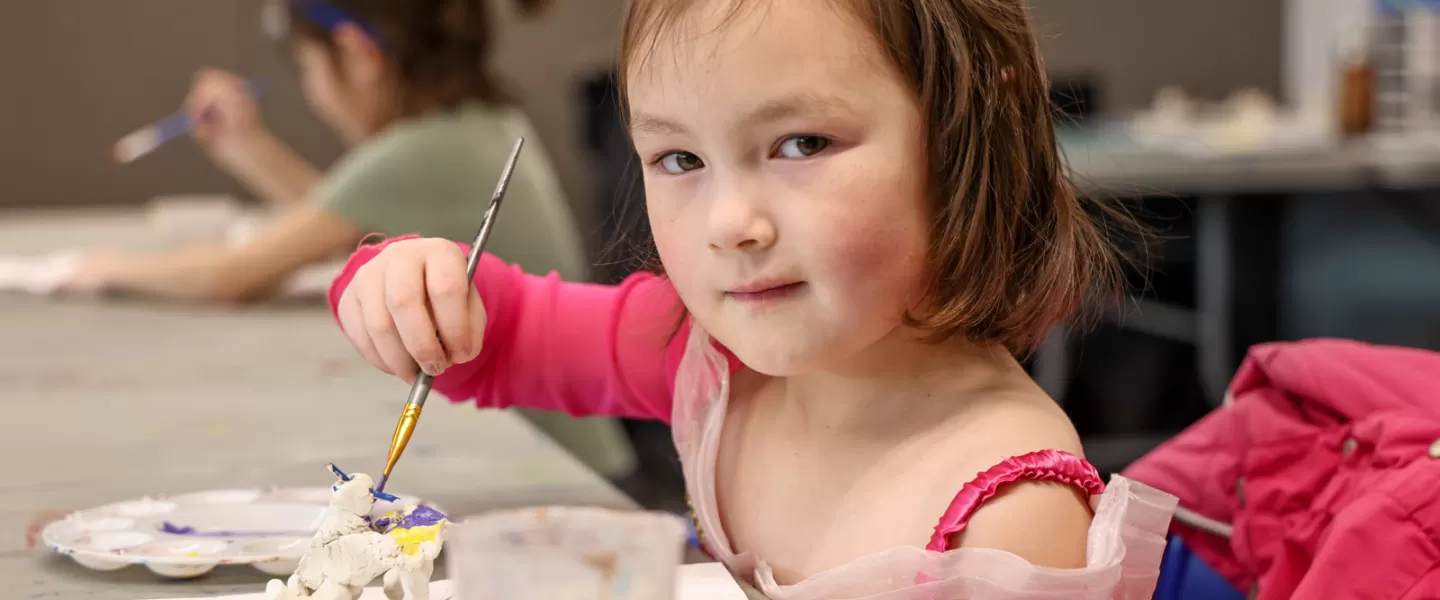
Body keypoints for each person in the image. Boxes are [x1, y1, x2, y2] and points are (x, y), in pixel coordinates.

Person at [327, 0, 1177, 597]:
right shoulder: (702, 351)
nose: (730, 224)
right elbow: (495, 337)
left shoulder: (1009, 518)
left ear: (964, 131)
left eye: (800, 143)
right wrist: (402, 282)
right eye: (680, 161)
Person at [65, 0, 636, 480]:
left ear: (360, 56)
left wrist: (106, 266)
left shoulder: (421, 150)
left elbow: (232, 275)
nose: (312, 87)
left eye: (309, 66)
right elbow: (339, 215)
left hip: (558, 475)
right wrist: (244, 146)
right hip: (577, 457)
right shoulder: (477, 122)